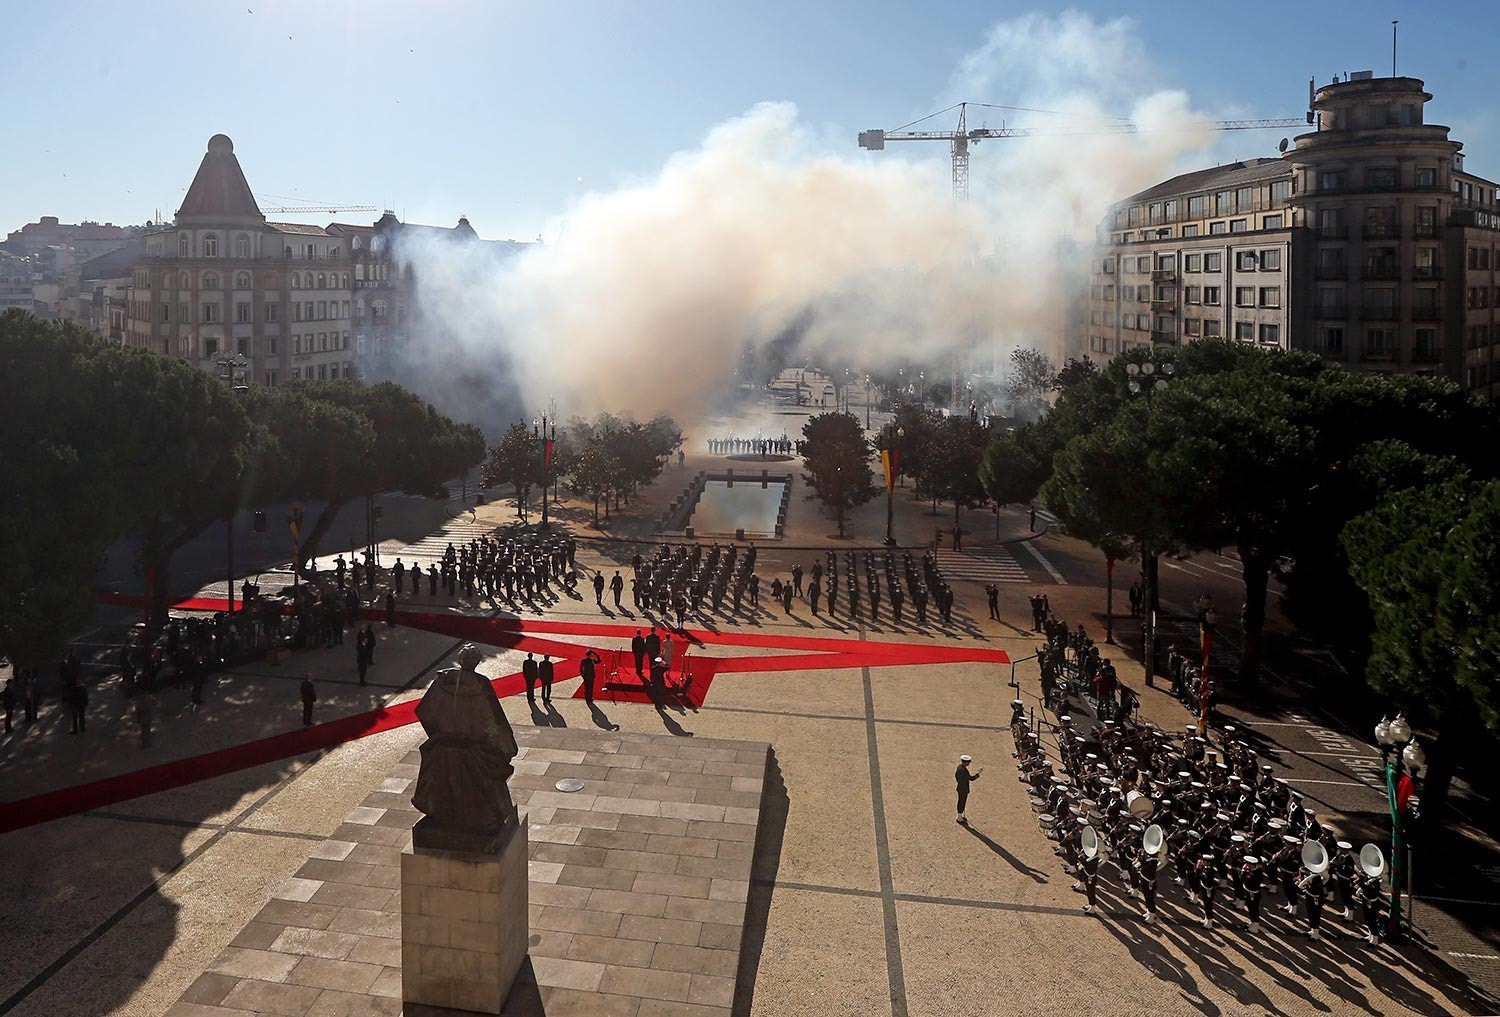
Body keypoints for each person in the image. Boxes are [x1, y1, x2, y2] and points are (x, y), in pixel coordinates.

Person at [955, 754, 983, 824]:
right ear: (965, 762)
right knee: (962, 802)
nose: (969, 763)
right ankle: (959, 818)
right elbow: (970, 778)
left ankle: (960, 816)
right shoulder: (963, 770)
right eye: (968, 762)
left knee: (962, 801)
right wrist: (978, 774)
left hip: (961, 787)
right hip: (963, 789)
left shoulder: (960, 767)